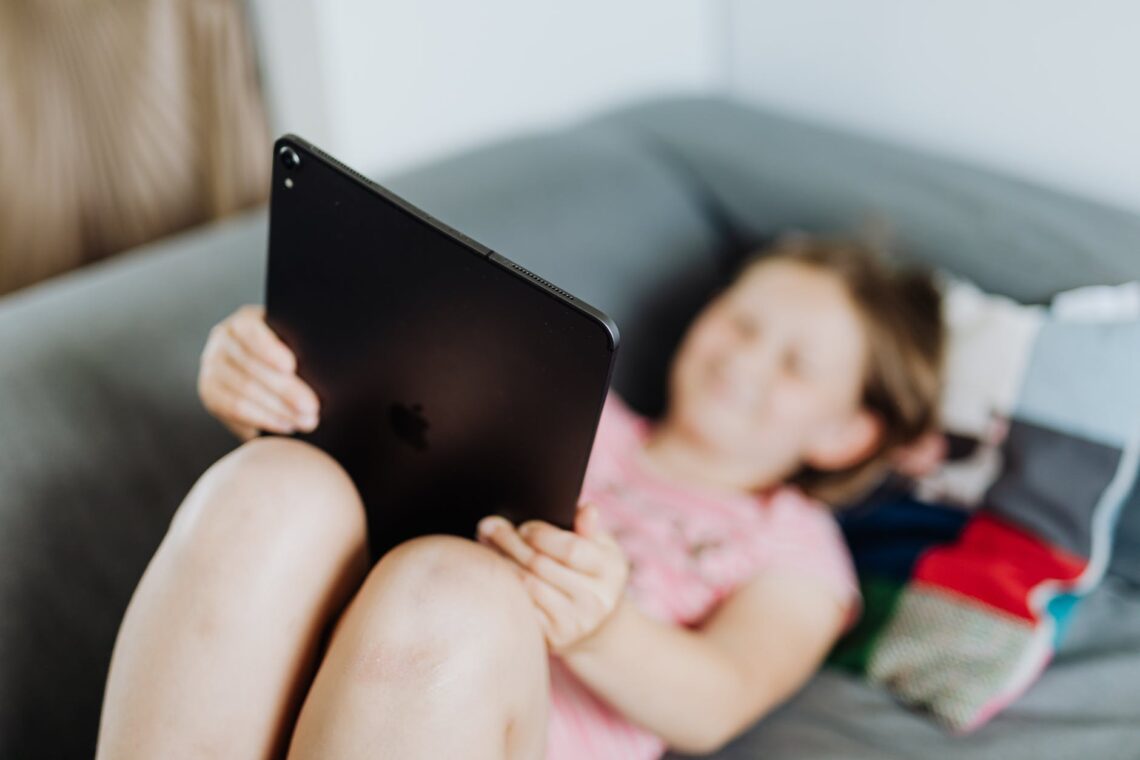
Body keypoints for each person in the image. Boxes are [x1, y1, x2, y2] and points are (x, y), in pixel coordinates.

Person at [94, 233, 945, 759]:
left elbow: (718, 702)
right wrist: (270, 394)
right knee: (275, 483)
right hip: (305, 673)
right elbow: (374, 473)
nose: (747, 359)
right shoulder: (571, 402)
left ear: (845, 435)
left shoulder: (792, 543)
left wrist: (603, 627)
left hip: (485, 729)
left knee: (452, 584)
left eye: (796, 364)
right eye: (742, 321)